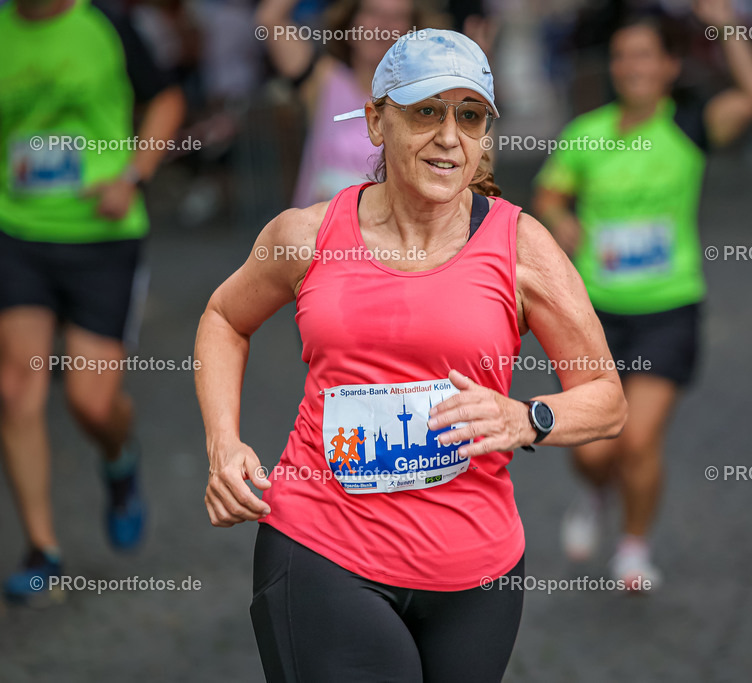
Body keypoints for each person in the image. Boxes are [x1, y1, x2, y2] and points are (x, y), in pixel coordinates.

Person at [194, 29, 627, 681]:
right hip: (322, 543)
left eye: (469, 115)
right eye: (426, 111)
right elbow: (224, 317)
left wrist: (524, 418)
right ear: (376, 120)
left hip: (476, 572)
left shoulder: (522, 247)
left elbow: (606, 396)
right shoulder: (305, 236)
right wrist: (223, 443)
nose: (449, 136)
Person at [533, 0, 752, 591]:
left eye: (644, 55)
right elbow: (549, 195)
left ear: (670, 66)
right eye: (621, 56)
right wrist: (559, 219)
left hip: (668, 310)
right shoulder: (584, 133)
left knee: (637, 439)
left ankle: (634, 546)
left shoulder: (691, 126)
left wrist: (722, 24)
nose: (630, 66)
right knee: (592, 450)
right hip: (592, 315)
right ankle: (594, 496)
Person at [0, 0, 185, 603]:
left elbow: (167, 99)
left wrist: (133, 176)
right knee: (16, 388)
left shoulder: (106, 24)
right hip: (17, 231)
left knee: (89, 399)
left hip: (102, 237)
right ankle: (42, 548)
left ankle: (119, 459)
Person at [256, 0, 422, 206]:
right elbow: (270, 19)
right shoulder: (324, 79)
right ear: (351, 25)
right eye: (373, 12)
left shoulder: (422, 99)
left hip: (382, 234)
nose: (383, 25)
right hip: (315, 232)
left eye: (397, 17)